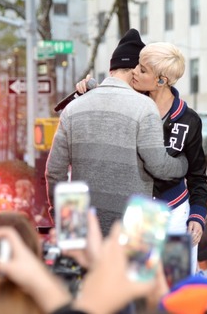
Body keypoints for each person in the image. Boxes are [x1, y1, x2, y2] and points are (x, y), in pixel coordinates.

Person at [46, 29, 188, 235]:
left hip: (81, 227)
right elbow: (159, 167)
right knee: (135, 269)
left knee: (82, 268)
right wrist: (184, 163)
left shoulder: (73, 108)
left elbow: (54, 171)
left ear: (112, 69)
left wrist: (64, 220)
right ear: (135, 72)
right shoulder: (144, 107)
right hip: (134, 228)